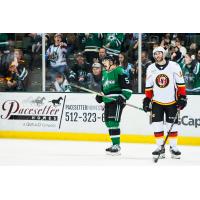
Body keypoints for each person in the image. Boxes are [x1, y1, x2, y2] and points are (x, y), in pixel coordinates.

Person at [143, 46, 187, 159]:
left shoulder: (174, 66)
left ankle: (173, 147)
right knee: (157, 125)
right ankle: (160, 148)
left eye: (159, 53)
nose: (157, 56)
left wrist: (182, 97)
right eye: (155, 54)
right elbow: (149, 86)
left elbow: (180, 84)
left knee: (172, 126)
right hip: (157, 102)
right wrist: (147, 99)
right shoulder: (150, 68)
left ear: (163, 54)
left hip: (172, 102)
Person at [95, 55, 132, 155]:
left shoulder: (119, 71)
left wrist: (123, 97)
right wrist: (100, 96)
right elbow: (104, 89)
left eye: (106, 61)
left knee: (114, 122)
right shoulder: (104, 73)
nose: (104, 63)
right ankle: (113, 144)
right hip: (107, 101)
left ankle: (117, 145)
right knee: (108, 123)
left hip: (116, 101)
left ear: (112, 62)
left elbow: (128, 87)